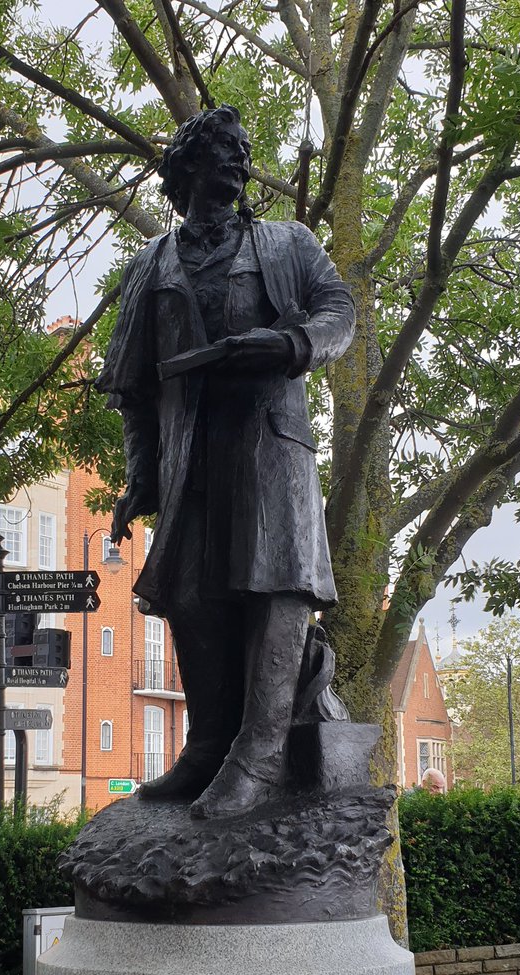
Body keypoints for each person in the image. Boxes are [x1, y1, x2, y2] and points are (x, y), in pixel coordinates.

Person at [97, 105, 355, 819]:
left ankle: (260, 756)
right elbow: (133, 388)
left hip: (270, 440)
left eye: (243, 152)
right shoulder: (149, 265)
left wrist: (291, 345)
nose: (239, 164)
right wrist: (140, 477)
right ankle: (209, 746)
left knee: (276, 581)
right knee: (187, 591)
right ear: (185, 170)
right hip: (190, 448)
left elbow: (339, 309)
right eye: (223, 153)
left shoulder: (287, 243)